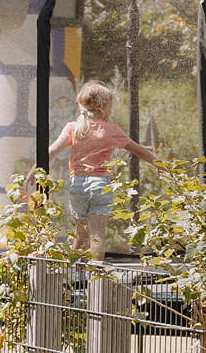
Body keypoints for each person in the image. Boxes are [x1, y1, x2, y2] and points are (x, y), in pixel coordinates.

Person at [46, 80, 156, 262]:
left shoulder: (73, 128)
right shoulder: (111, 130)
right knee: (96, 237)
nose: (111, 111)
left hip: (78, 185)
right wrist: (160, 165)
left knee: (80, 234)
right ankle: (95, 282)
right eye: (110, 107)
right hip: (101, 186)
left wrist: (33, 171)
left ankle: (76, 275)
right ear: (102, 107)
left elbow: (52, 152)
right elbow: (139, 150)